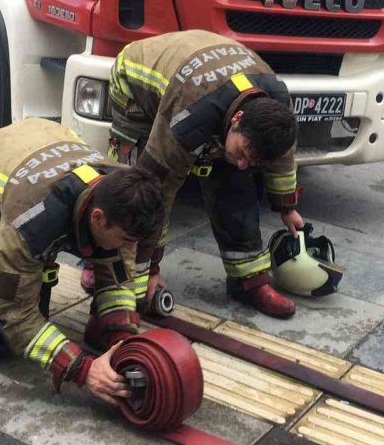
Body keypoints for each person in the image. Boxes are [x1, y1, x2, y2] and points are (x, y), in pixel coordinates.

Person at [0, 119, 166, 403]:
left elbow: (118, 275)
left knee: (60, 283)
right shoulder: (30, 223)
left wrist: (121, 338)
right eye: (126, 239)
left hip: (43, 143)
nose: (130, 247)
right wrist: (83, 369)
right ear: (98, 218)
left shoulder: (122, 194)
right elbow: (18, 317)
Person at [102, 30, 303, 319]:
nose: (244, 163)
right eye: (243, 152)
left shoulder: (278, 107)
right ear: (237, 119)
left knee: (234, 181)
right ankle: (105, 267)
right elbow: (156, 192)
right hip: (135, 84)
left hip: (205, 77)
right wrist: (150, 270)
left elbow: (282, 157)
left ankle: (249, 281)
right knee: (134, 187)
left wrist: (287, 207)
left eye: (252, 160)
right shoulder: (192, 115)